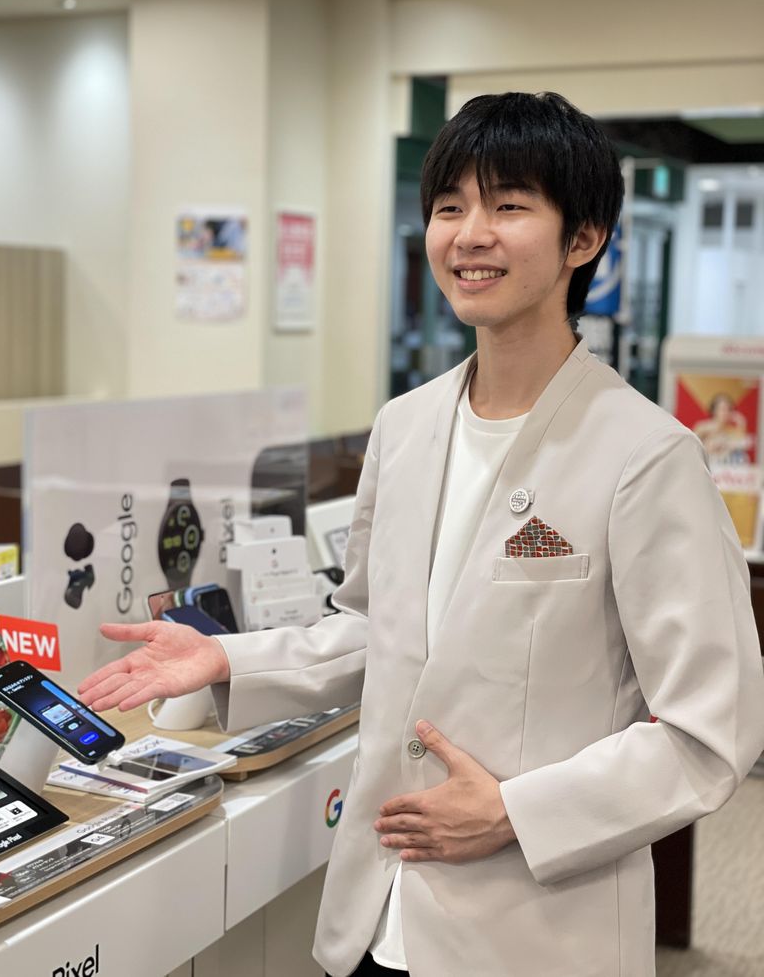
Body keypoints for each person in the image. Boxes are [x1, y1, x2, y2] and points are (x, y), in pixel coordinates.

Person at [79, 92, 764, 977]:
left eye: (508, 205)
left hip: (534, 933)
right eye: (449, 206)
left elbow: (712, 731)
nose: (470, 235)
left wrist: (518, 810)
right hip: (376, 917)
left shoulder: (646, 455)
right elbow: (377, 628)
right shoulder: (404, 427)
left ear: (584, 238)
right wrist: (226, 659)